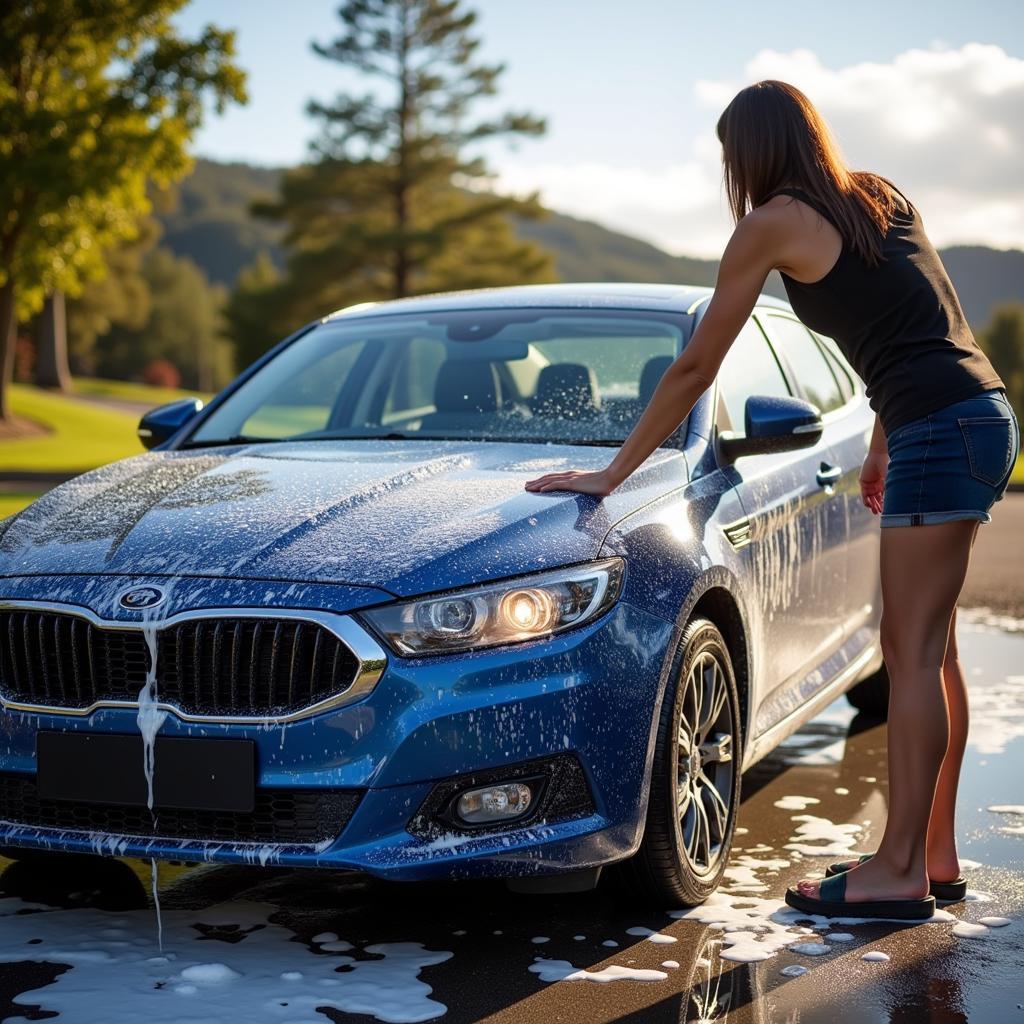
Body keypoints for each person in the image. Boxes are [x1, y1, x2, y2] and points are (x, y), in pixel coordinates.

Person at [523, 80, 1021, 919]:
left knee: (911, 647)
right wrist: (880, 437)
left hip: (941, 425)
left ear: (748, 152)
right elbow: (930, 323)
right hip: (974, 412)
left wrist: (609, 474)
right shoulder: (877, 196)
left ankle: (898, 868)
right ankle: (931, 854)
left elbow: (694, 368)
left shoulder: (771, 224)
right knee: (933, 652)